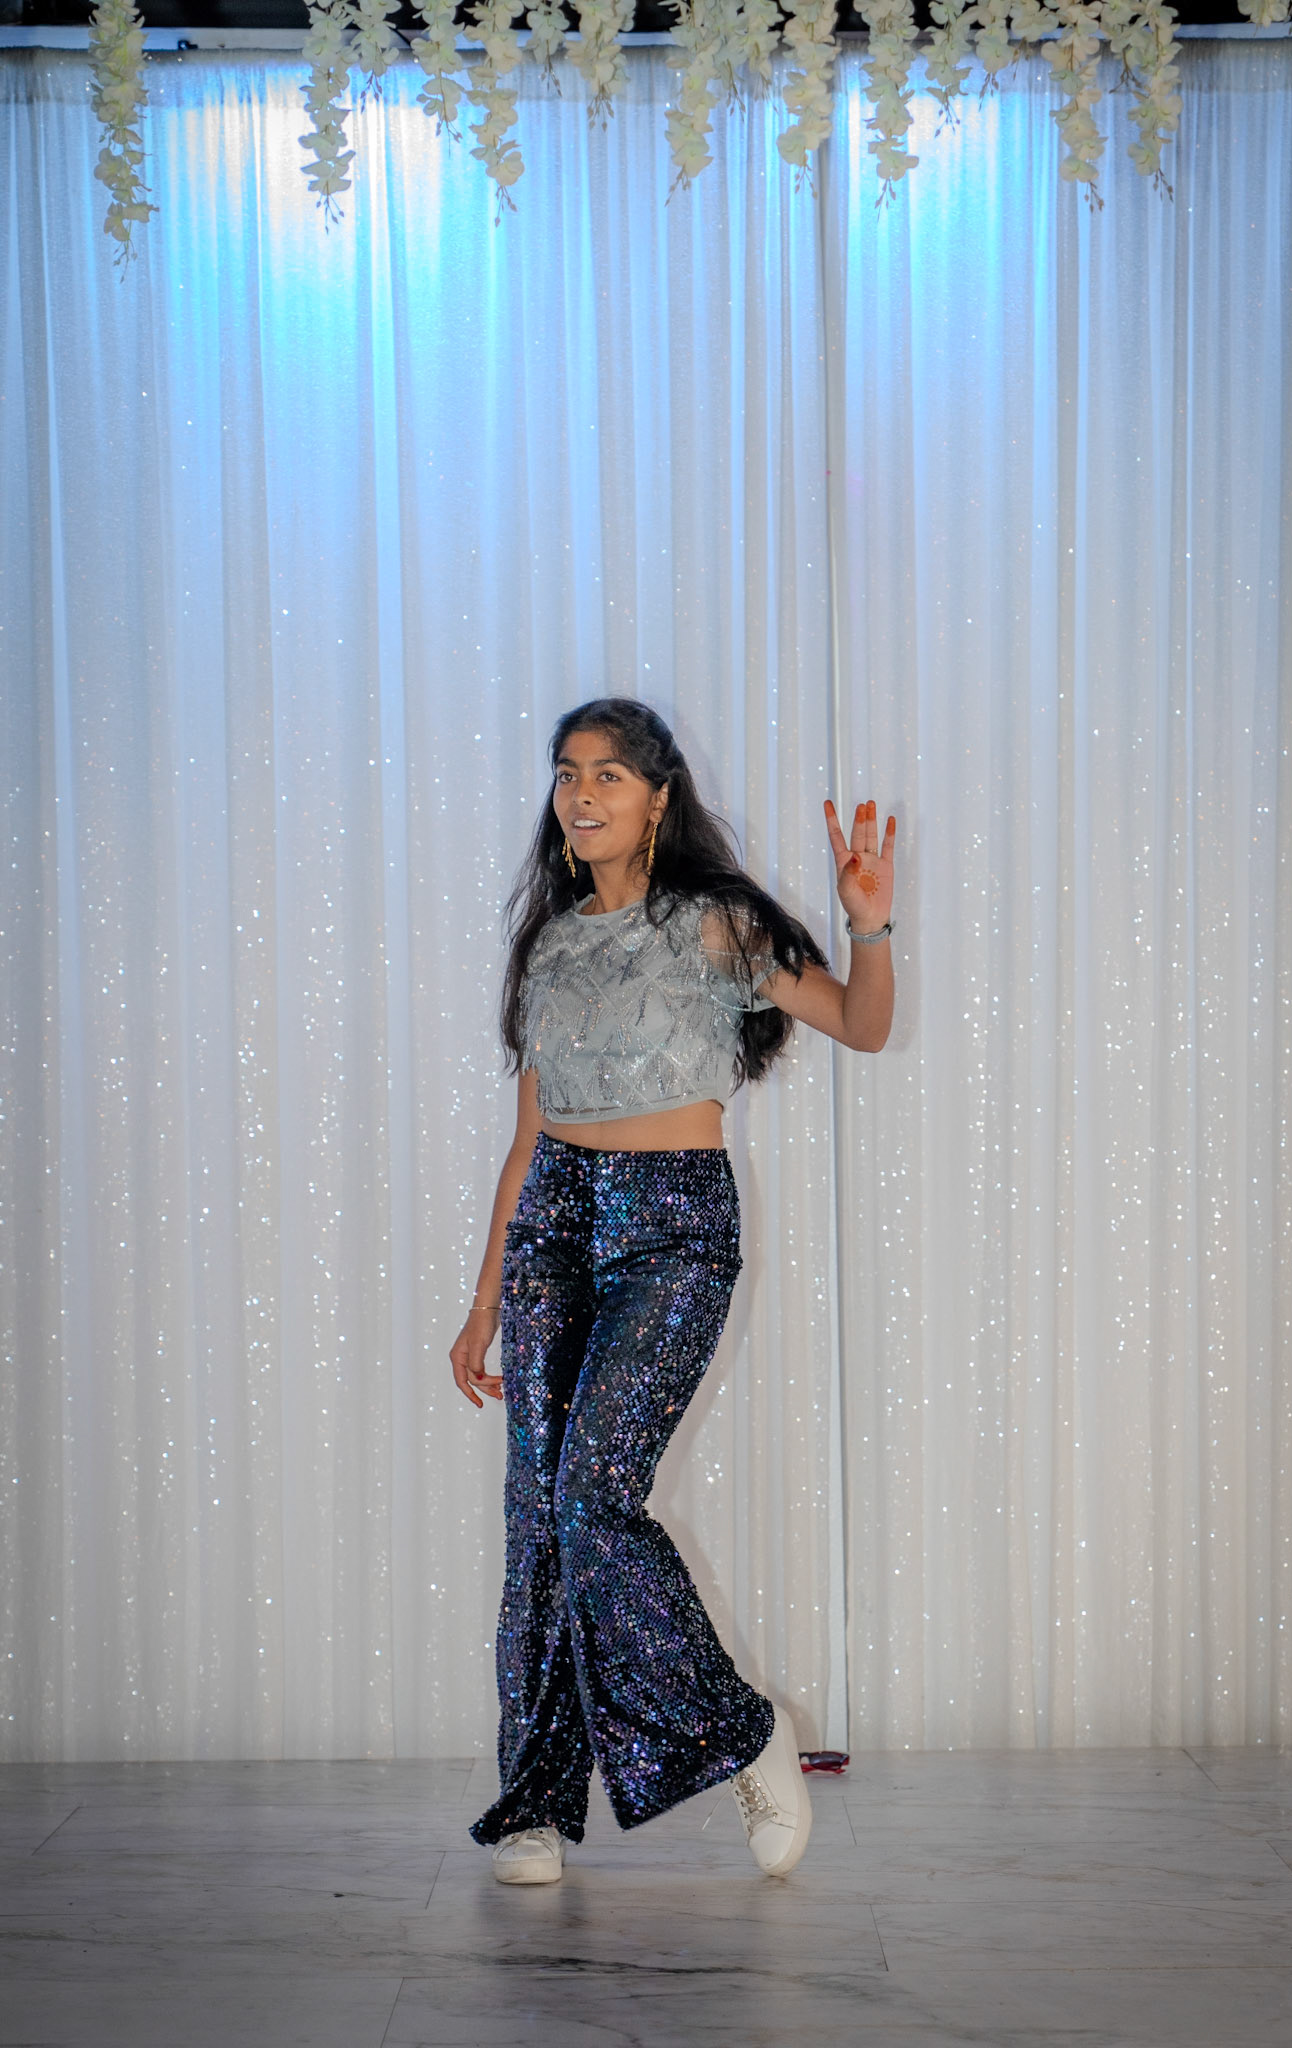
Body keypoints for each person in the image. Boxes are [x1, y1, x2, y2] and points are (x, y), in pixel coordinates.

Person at [449, 698, 895, 1886]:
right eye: (566, 773)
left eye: (608, 773)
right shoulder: (549, 946)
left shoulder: (713, 924)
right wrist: (483, 1297)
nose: (581, 793)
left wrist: (870, 923)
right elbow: (526, 1137)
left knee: (594, 1492)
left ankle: (742, 1732)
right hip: (551, 1226)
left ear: (657, 795)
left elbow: (861, 1024)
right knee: (540, 1517)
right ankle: (534, 1798)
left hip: (672, 1228)